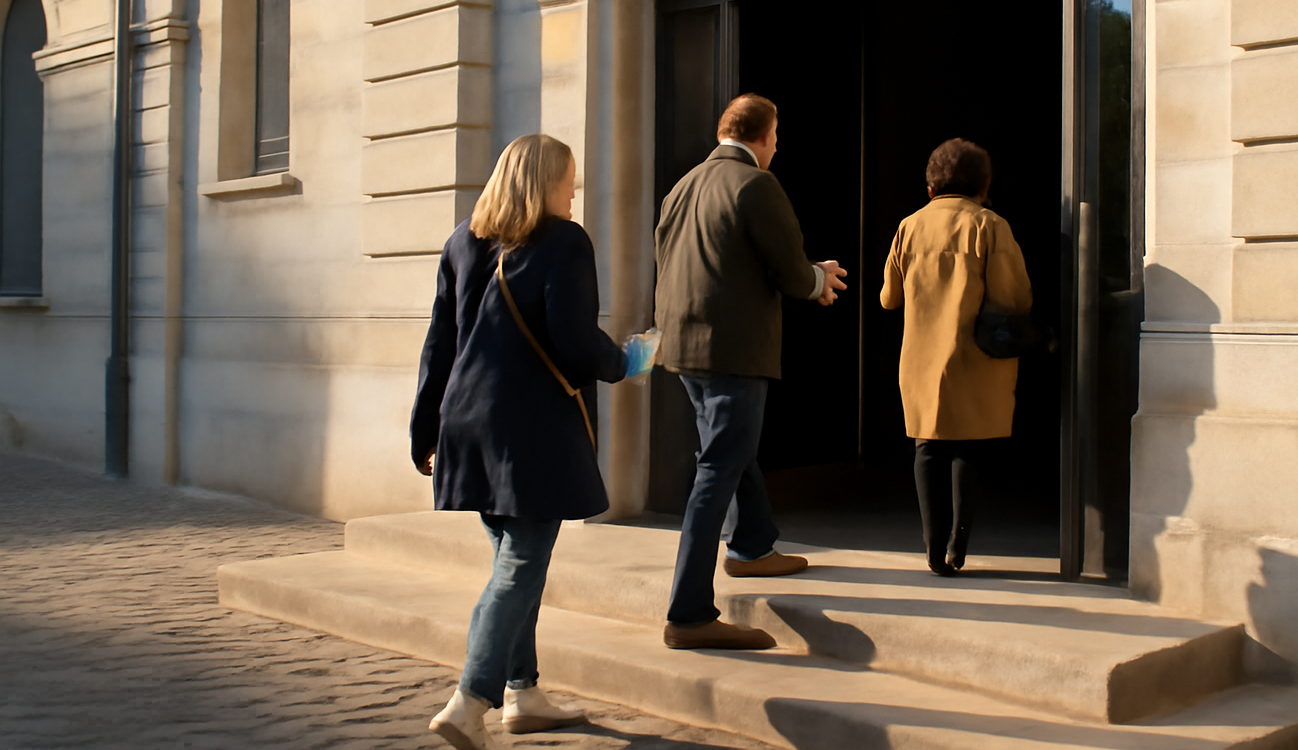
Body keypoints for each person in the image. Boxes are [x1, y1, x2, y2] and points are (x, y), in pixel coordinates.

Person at [410, 134, 644, 750]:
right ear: (545, 182)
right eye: (570, 180)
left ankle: (524, 691)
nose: (575, 192)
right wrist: (627, 362)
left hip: (466, 424)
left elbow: (439, 344)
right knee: (520, 565)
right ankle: (470, 699)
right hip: (530, 430)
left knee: (514, 564)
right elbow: (572, 338)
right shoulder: (565, 241)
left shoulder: (462, 239)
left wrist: (423, 428)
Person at [653, 93, 848, 650]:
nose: (777, 147)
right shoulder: (756, 183)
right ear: (765, 137)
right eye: (778, 137)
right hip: (732, 349)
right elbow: (788, 269)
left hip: (684, 346)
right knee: (718, 465)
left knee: (729, 449)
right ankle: (688, 614)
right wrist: (818, 280)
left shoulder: (683, 186)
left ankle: (754, 546)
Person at [879, 138, 1033, 576]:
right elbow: (1013, 298)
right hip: (974, 359)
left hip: (922, 359)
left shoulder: (909, 226)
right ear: (984, 185)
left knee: (927, 447)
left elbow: (889, 297)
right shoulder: (990, 226)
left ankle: (931, 551)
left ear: (930, 188)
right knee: (968, 449)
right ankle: (957, 547)